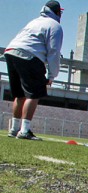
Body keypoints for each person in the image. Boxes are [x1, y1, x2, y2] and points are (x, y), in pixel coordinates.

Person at [4, 0, 64, 140]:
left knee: (20, 95)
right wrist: (52, 75)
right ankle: (24, 131)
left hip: (11, 51)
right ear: (57, 12)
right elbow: (54, 52)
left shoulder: (35, 21)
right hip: (30, 55)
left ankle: (14, 129)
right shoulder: (55, 26)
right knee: (34, 94)